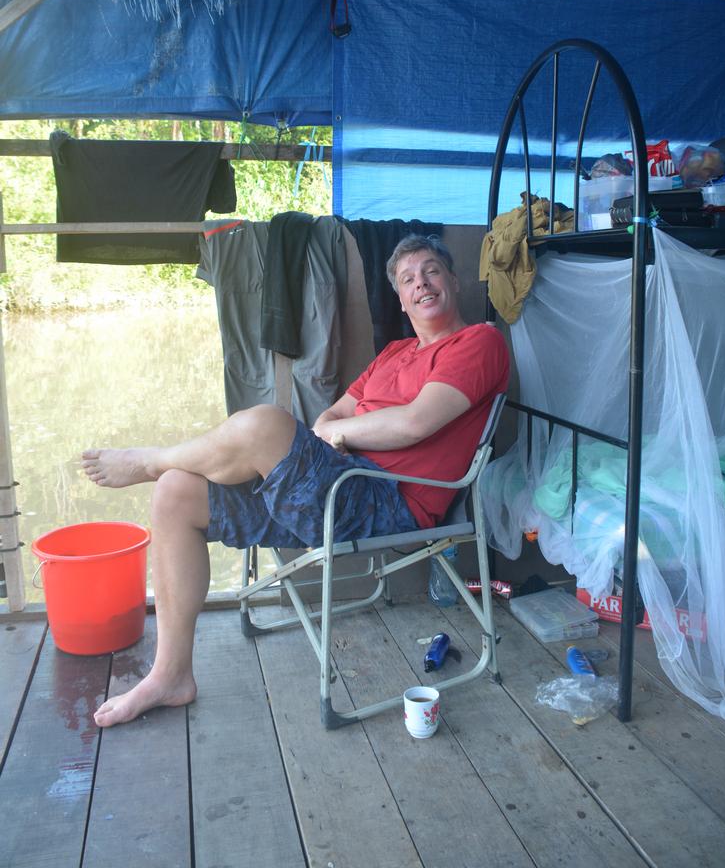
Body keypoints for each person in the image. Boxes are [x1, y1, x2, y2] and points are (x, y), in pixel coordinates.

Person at [82, 234, 509, 727]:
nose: (422, 284)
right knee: (176, 492)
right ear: (400, 299)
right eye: (408, 279)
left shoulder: (479, 343)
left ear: (453, 280)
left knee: (265, 423)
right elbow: (331, 415)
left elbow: (414, 423)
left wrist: (337, 434)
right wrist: (334, 432)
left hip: (390, 499)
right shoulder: (394, 353)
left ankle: (151, 460)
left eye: (432, 271)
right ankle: (170, 675)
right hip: (338, 483)